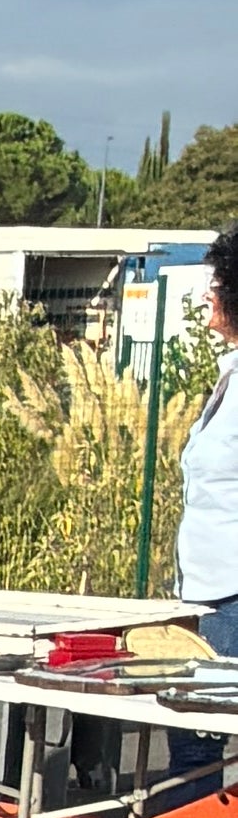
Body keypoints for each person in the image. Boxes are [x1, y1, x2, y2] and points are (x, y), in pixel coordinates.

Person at [181, 231, 238, 664]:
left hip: (231, 593)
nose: (205, 295)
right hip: (206, 589)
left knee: (198, 724)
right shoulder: (229, 375)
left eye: (215, 287)